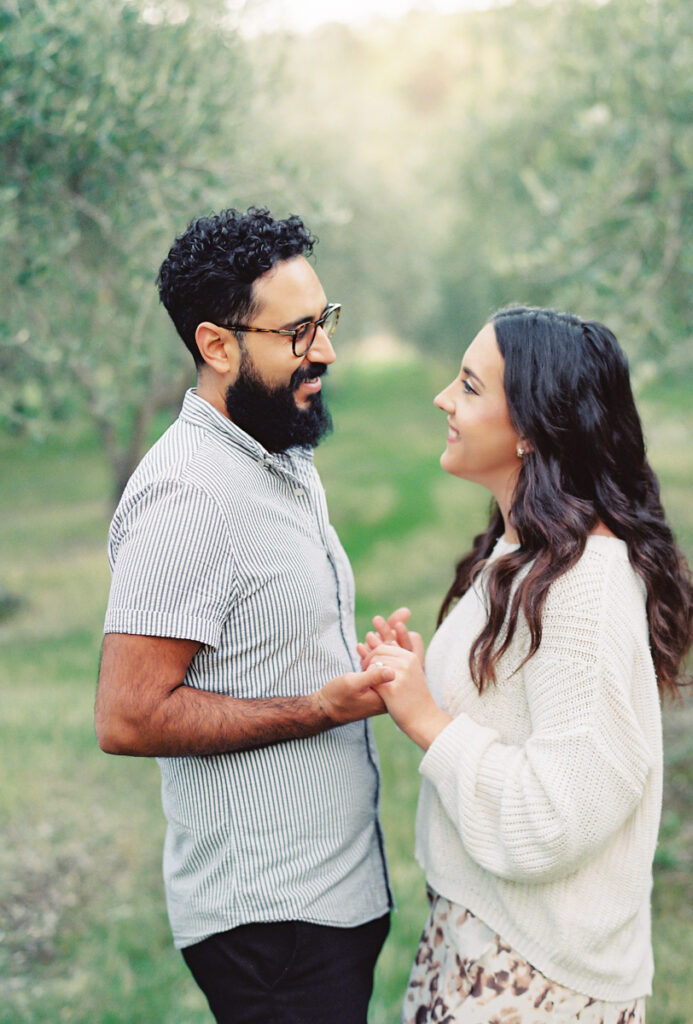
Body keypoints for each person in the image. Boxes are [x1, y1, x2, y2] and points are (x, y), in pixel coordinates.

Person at [360, 306, 693, 1023]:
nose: (442, 400)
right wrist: (423, 681)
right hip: (478, 948)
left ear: (529, 428)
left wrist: (427, 720)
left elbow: (554, 818)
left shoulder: (587, 587)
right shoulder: (524, 551)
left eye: (468, 386)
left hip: (534, 983)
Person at [94, 206, 401, 1024]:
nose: (326, 350)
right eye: (298, 332)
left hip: (327, 900)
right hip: (270, 926)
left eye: (325, 320)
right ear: (218, 345)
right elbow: (128, 716)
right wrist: (319, 708)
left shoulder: (280, 451)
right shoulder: (187, 494)